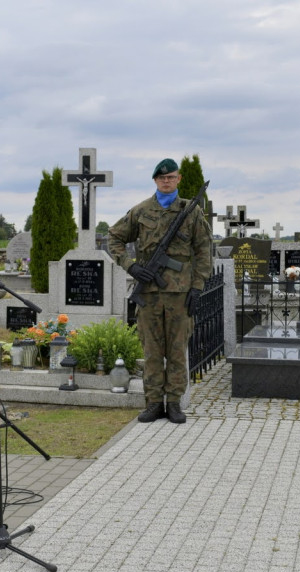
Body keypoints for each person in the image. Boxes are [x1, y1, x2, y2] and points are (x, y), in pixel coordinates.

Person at [108, 158, 213, 424]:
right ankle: (154, 402)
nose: (166, 181)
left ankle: (174, 403)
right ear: (155, 180)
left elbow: (203, 251)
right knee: (152, 351)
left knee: (177, 350)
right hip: (149, 294)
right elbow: (115, 238)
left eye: (171, 177)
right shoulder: (141, 211)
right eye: (162, 178)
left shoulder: (191, 211)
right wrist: (131, 267)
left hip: (180, 295)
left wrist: (197, 287)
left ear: (178, 179)